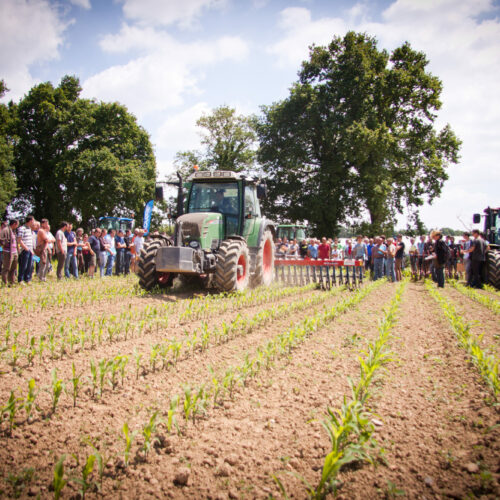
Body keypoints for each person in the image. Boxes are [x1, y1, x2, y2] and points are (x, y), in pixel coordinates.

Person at [0, 219, 19, 285]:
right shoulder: (5, 230)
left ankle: (11, 282)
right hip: (8, 252)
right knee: (6, 268)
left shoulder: (14, 231)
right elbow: (1, 239)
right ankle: (4, 283)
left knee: (13, 268)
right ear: (14, 224)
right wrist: (6, 242)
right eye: (17, 224)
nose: (17, 226)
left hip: (14, 251)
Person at [17, 215, 35, 285]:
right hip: (24, 250)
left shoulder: (29, 229)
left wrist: (31, 250)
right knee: (23, 265)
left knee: (29, 265)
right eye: (33, 221)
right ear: (30, 221)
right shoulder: (22, 228)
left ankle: (27, 279)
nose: (33, 222)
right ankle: (20, 279)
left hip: (30, 250)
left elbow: (30, 241)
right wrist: (26, 248)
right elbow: (19, 240)